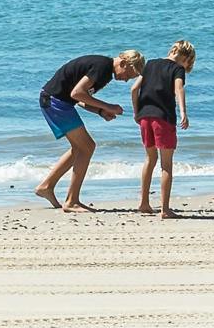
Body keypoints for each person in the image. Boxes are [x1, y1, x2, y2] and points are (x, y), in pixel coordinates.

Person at [34, 49, 142, 211]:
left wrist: (100, 111)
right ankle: (72, 201)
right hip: (55, 102)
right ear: (124, 63)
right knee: (87, 147)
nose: (126, 80)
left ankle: (46, 186)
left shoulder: (104, 71)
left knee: (80, 148)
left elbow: (80, 99)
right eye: (129, 75)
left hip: (55, 101)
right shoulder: (102, 68)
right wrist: (109, 106)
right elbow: (77, 93)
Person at [134, 40, 196, 218]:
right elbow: (179, 89)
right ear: (185, 57)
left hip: (145, 116)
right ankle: (165, 209)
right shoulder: (177, 69)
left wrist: (137, 112)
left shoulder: (150, 64)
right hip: (163, 118)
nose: (186, 66)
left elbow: (134, 88)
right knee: (166, 165)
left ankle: (144, 203)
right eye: (188, 63)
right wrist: (184, 112)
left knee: (149, 159)